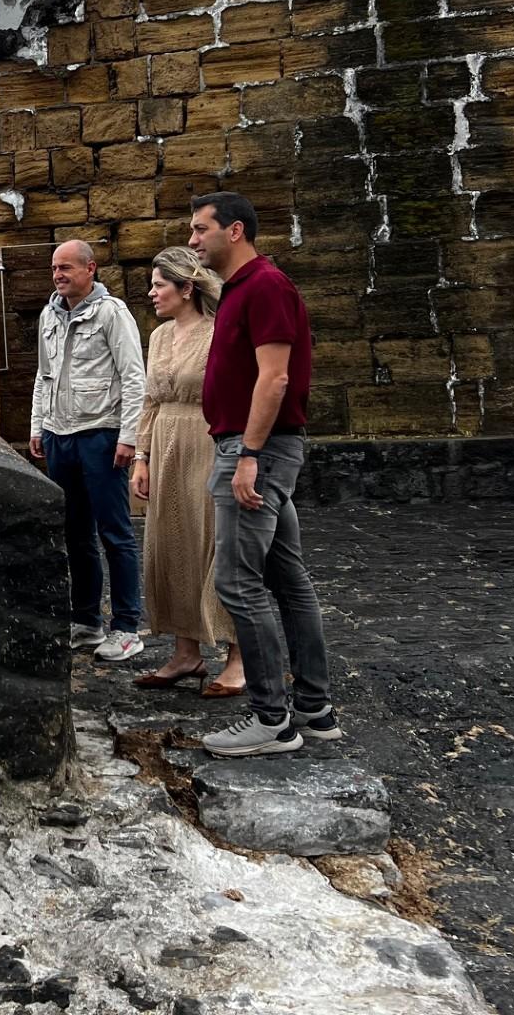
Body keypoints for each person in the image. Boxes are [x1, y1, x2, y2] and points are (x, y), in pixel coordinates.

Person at [187, 192, 341, 757]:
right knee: (286, 578)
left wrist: (248, 454)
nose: (193, 240)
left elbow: (274, 379)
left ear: (234, 231)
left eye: (200, 230)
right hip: (255, 447)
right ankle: (315, 709)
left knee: (237, 582)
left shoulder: (266, 286)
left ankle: (272, 719)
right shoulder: (237, 291)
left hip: (256, 450)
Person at [129, 247, 246, 698]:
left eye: (160, 284)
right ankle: (186, 652)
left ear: (186, 288)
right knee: (169, 544)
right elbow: (150, 400)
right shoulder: (158, 337)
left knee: (215, 544)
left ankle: (238, 656)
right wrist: (142, 457)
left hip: (208, 439)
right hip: (165, 442)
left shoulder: (220, 332)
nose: (152, 292)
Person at [28, 239, 147, 662]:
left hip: (100, 433)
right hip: (60, 436)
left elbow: (134, 377)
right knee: (74, 533)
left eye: (66, 268)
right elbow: (43, 376)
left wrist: (129, 437)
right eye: (54, 269)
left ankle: (128, 626)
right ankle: (86, 621)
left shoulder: (112, 314)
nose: (58, 275)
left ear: (90, 269)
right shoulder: (48, 315)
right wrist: (38, 426)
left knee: (114, 532)